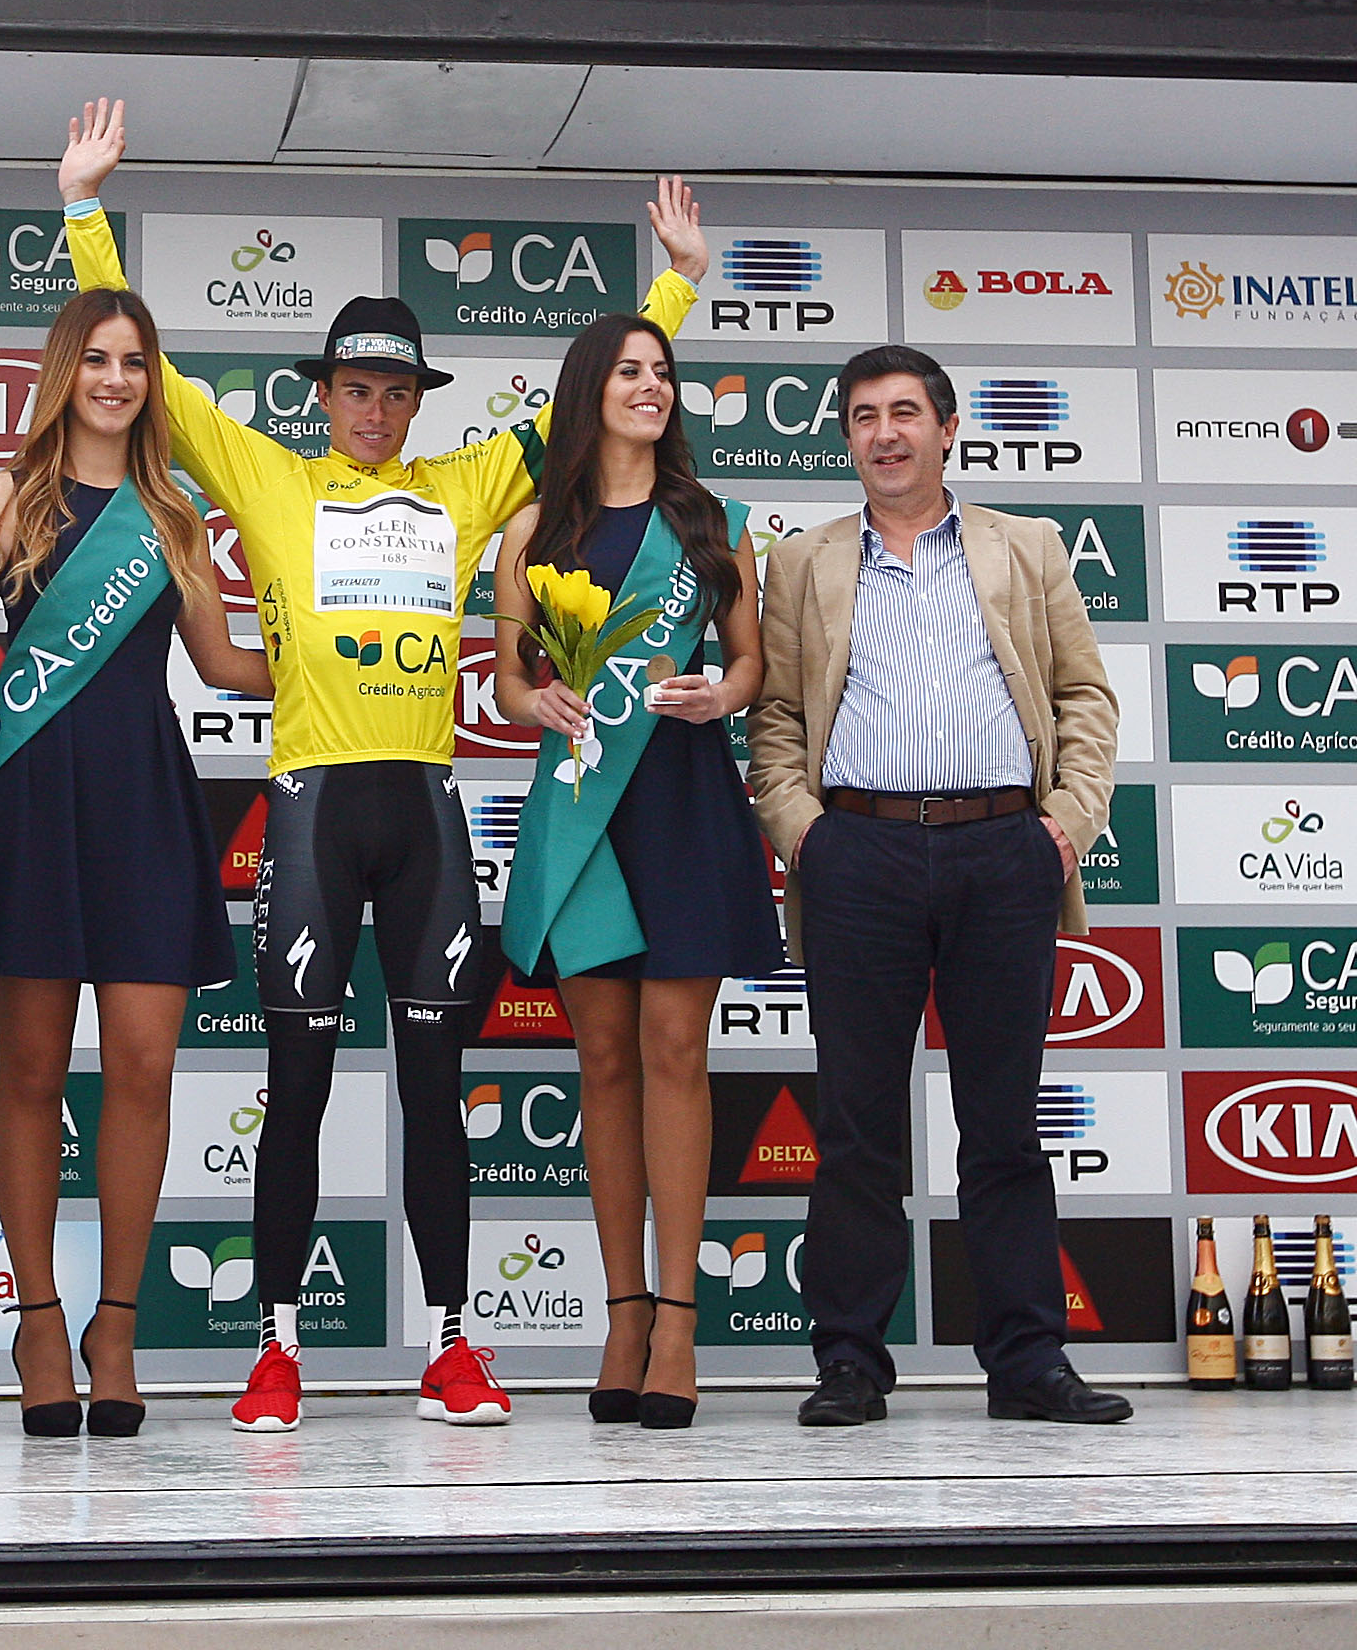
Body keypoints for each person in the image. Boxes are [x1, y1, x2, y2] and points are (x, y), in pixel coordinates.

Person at [56, 97, 708, 1432]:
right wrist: (84, 213)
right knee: (294, 1090)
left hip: (421, 810)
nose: (373, 408)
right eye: (355, 387)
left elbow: (585, 409)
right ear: (323, 394)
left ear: (417, 402)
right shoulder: (267, 476)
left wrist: (675, 291)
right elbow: (150, 375)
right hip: (309, 811)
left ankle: (455, 1347)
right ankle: (277, 1351)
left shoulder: (465, 486)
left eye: (395, 390)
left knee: (433, 1089)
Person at [744, 346, 1132, 1431]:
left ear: (948, 428)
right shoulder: (803, 562)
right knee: (857, 1127)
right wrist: (805, 835)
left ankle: (1028, 1361)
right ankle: (849, 1361)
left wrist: (1065, 826)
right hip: (856, 855)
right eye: (865, 416)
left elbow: (1084, 696)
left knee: (1003, 1124)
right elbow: (776, 717)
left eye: (906, 412)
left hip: (1003, 851)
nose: (886, 433)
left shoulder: (1027, 545)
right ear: (847, 437)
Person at [0, 287, 274, 1439]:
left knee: (143, 1066)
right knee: (30, 1071)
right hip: (29, 806)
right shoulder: (2, 500)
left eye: (135, 360)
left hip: (141, 802)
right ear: (63, 371)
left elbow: (224, 665)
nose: (116, 379)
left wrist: (359, 659)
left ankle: (114, 1325)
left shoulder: (173, 513)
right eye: (97, 358)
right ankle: (39, 1322)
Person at [489, 313, 777, 1430]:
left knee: (673, 1051)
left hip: (684, 801)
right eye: (628, 372)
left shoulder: (712, 522)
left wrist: (721, 696)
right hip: (583, 809)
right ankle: (622, 1315)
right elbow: (509, 683)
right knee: (602, 1059)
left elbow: (749, 663)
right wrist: (540, 701)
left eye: (662, 372)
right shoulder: (533, 529)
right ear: (588, 391)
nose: (651, 387)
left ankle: (680, 1324)